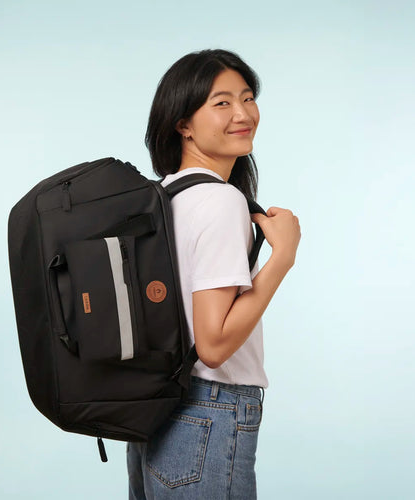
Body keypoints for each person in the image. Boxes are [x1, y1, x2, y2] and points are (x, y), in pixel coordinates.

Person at [127, 48, 301, 500]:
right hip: (209, 409)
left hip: (156, 409)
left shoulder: (164, 196)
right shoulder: (222, 201)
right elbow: (214, 344)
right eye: (221, 103)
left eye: (247, 98)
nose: (243, 114)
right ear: (182, 123)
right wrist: (282, 258)